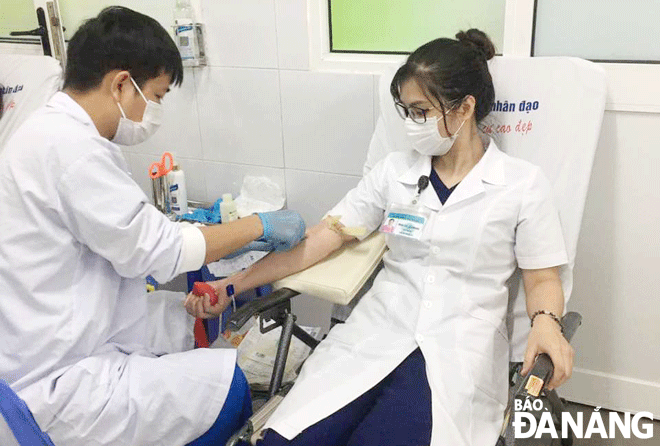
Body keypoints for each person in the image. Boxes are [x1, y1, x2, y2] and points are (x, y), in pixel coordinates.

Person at [185, 29, 575, 446]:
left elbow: (542, 278)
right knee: (285, 439)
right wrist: (233, 283)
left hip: (459, 350)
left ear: (465, 108)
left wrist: (547, 324)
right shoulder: (394, 173)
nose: (410, 122)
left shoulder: (522, 185)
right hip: (375, 334)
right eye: (405, 110)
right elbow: (322, 238)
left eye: (421, 111)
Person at [0, 7, 306, 446]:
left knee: (179, 324)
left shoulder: (47, 134)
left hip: (48, 341)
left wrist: (188, 302)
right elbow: (160, 250)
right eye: (158, 96)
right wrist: (257, 225)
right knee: (229, 388)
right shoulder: (72, 150)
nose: (156, 110)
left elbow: (113, 257)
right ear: (122, 83)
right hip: (57, 383)